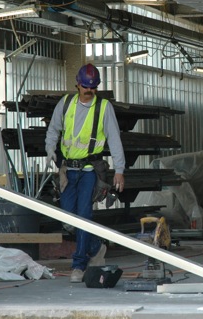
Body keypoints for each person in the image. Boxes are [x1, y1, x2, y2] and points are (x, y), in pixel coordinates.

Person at [45, 63, 126, 283]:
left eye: (93, 88)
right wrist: (52, 153)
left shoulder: (104, 107)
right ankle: (96, 247)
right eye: (85, 87)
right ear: (77, 85)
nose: (89, 91)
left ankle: (78, 265)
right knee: (68, 219)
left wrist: (119, 170)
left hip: (90, 171)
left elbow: (114, 139)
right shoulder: (66, 104)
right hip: (68, 170)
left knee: (83, 216)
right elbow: (53, 131)